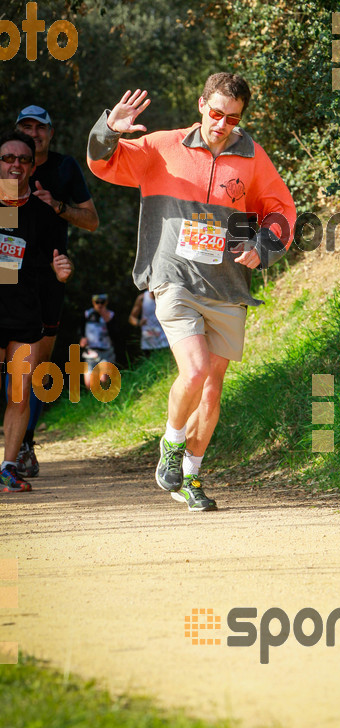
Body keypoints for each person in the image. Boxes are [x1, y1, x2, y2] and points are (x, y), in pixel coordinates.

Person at [88, 73, 296, 511]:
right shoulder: (163, 147)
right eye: (216, 113)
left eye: (232, 118)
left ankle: (191, 477)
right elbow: (101, 162)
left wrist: (263, 247)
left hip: (227, 285)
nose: (222, 124)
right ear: (202, 104)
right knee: (196, 369)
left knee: (212, 389)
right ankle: (171, 442)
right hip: (173, 277)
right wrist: (109, 128)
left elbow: (280, 209)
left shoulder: (251, 156)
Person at [14, 105, 99, 477]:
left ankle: (24, 445)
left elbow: (92, 222)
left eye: (40, 128)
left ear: (51, 132)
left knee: (32, 368)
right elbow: (7, 223)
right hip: (10, 275)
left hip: (50, 277)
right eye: (26, 127)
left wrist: (58, 206)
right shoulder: (11, 166)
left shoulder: (65, 168)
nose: (34, 134)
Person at [0, 130, 73, 492]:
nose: (16, 164)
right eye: (7, 158)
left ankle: (8, 468)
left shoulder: (43, 212)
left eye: (23, 159)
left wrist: (61, 271)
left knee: (19, 392)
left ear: (32, 166)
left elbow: (54, 260)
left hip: (25, 314)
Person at [79, 293, 116, 390]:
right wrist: (82, 338)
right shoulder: (87, 314)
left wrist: (107, 319)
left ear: (106, 302)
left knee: (104, 379)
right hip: (90, 352)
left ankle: (107, 397)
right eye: (97, 302)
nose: (99, 305)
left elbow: (116, 334)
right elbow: (80, 329)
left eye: (102, 302)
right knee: (89, 384)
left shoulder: (111, 315)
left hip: (106, 352)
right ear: (93, 302)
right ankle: (96, 402)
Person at [129, 290, 169, 355]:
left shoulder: (165, 296)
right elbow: (131, 318)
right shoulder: (142, 298)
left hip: (165, 341)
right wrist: (139, 322)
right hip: (148, 343)